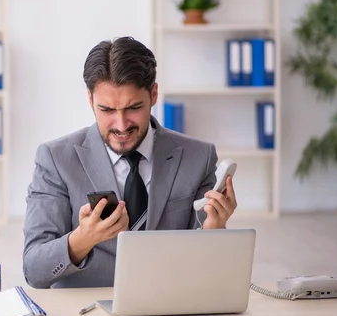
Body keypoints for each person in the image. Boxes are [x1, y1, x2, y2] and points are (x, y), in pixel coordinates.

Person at [22, 36, 238, 289]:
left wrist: (215, 230)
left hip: (168, 305)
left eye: (133, 107)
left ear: (153, 94)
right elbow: (34, 270)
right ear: (91, 100)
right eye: (107, 110)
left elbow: (207, 273)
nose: (121, 125)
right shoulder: (56, 159)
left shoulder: (198, 157)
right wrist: (83, 239)